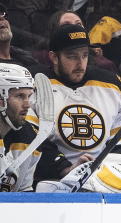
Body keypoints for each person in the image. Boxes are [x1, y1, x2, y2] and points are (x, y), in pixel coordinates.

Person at [31, 24, 121, 193]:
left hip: (105, 177)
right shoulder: (35, 85)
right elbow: (27, 137)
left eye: (85, 55)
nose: (80, 63)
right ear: (54, 57)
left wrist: (107, 170)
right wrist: (64, 168)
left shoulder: (113, 85)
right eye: (72, 56)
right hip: (57, 179)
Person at [0, 64, 71, 192]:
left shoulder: (29, 138)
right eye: (20, 96)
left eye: (29, 96)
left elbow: (23, 192)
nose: (27, 104)